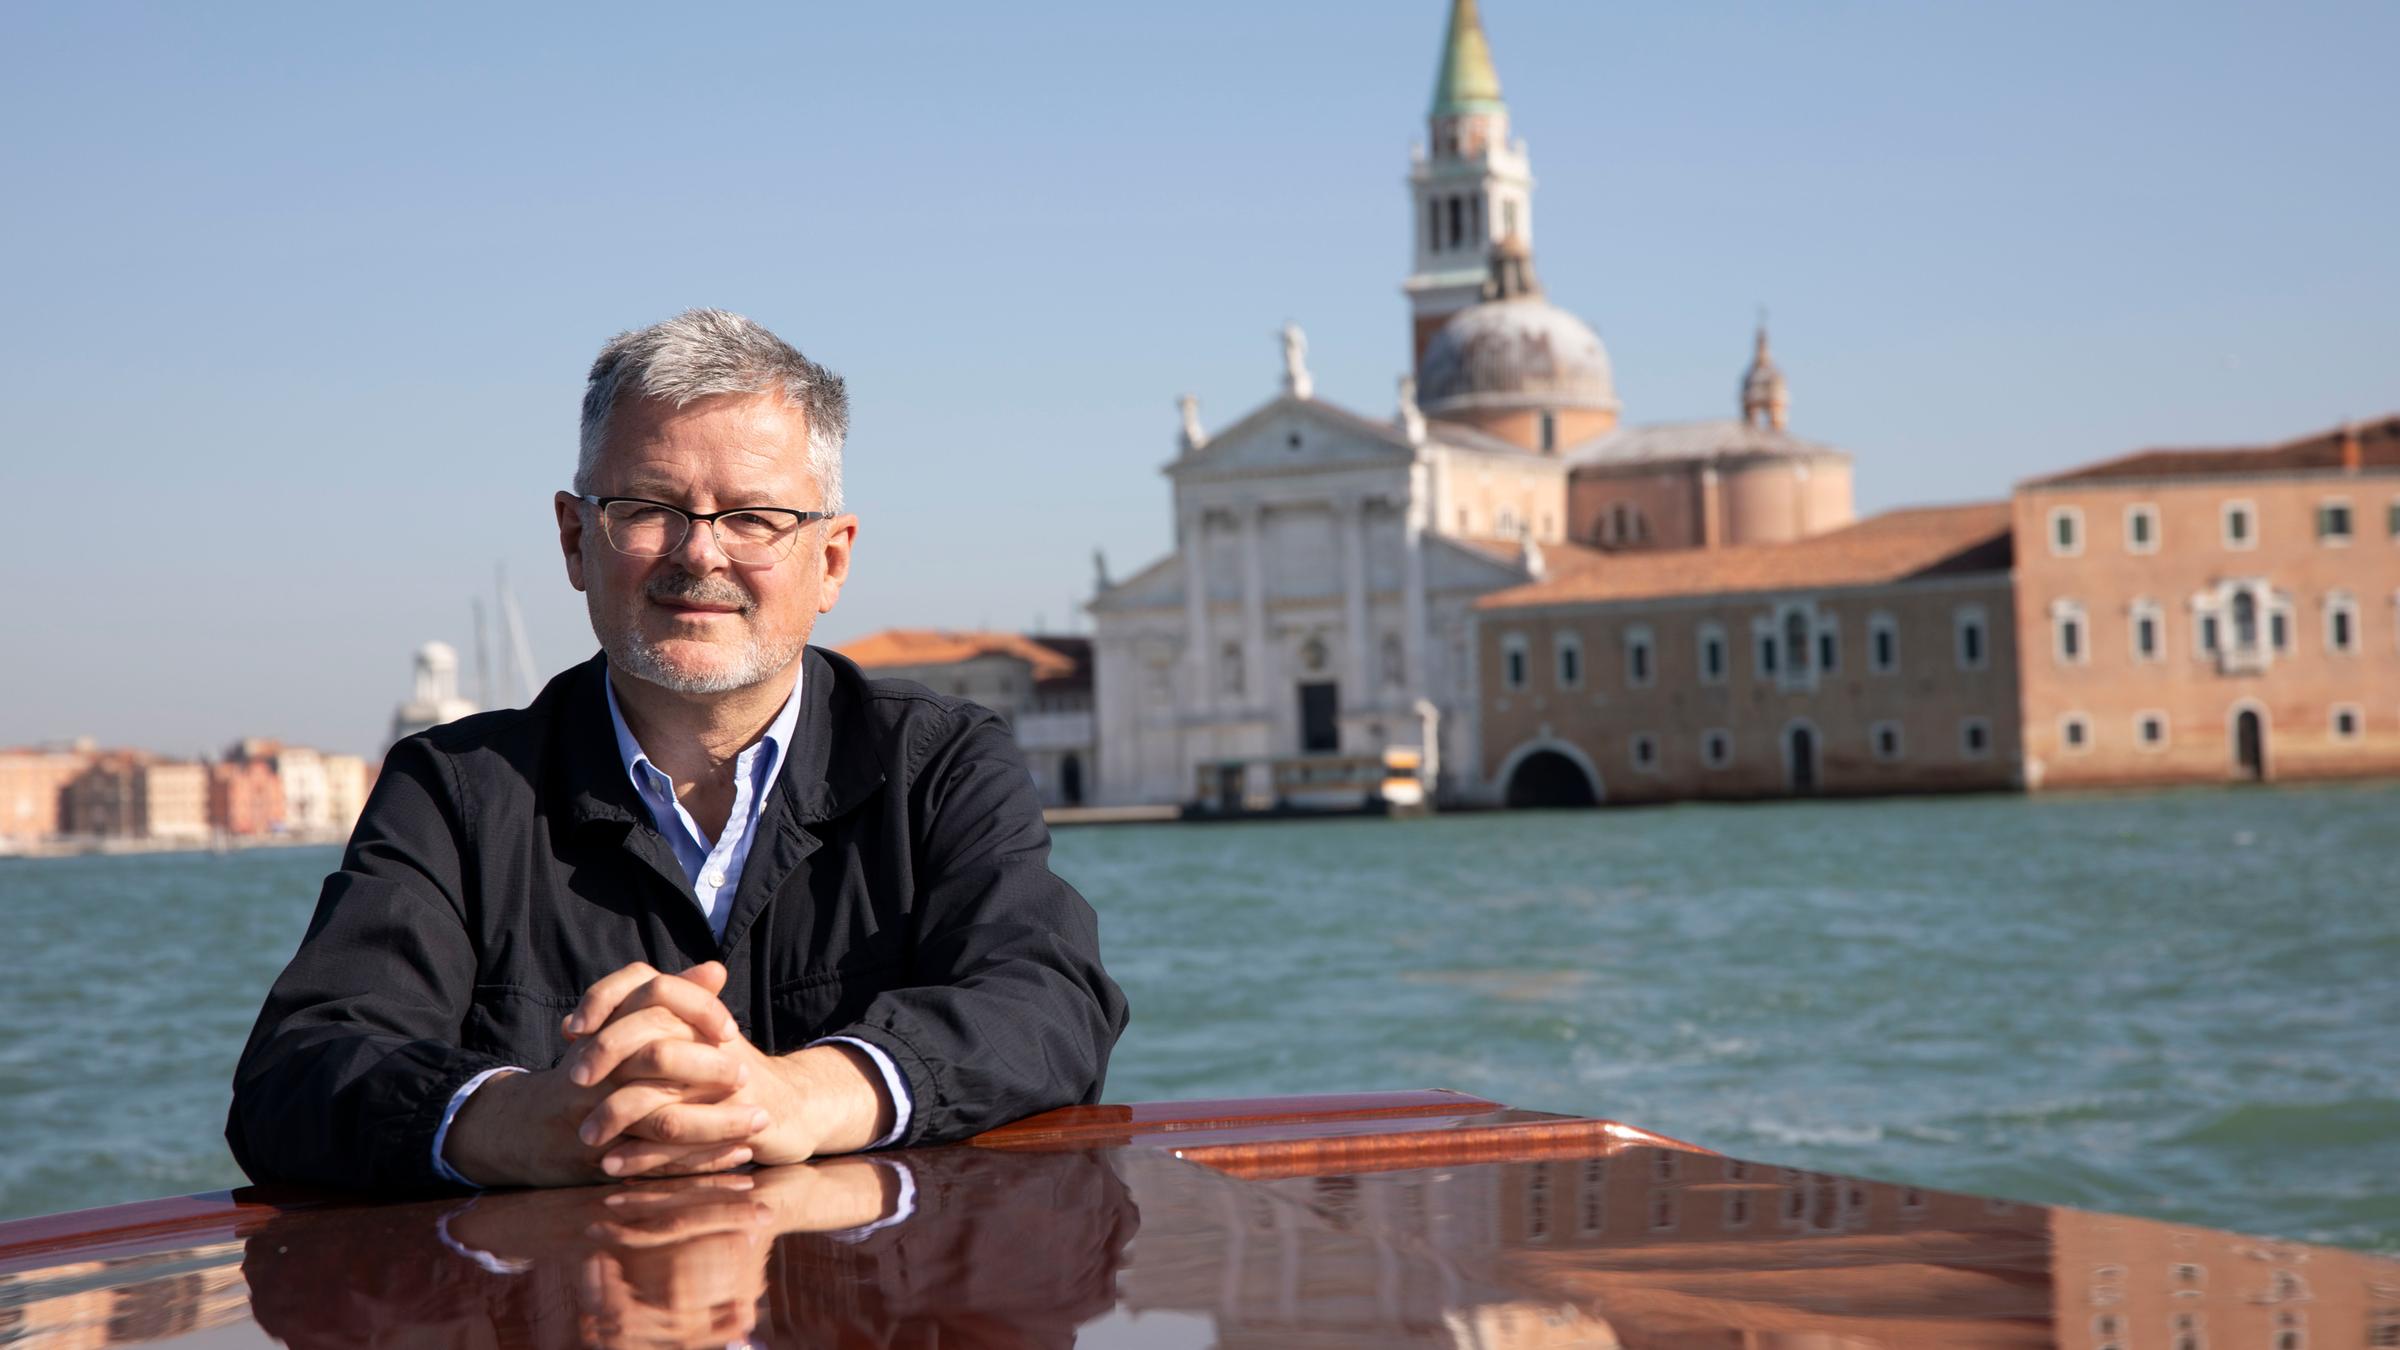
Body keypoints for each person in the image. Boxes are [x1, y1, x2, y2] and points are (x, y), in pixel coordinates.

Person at [227, 308, 1128, 1191]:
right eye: (649, 507)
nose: (700, 554)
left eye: (753, 517)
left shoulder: (936, 763)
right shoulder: (456, 795)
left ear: (833, 559)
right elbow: (300, 1072)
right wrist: (527, 1121)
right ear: (578, 539)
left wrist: (800, 1096)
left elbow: (1048, 1001)